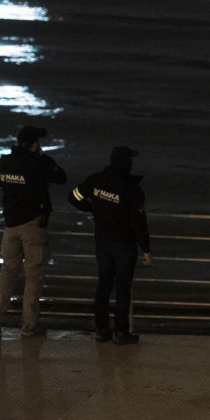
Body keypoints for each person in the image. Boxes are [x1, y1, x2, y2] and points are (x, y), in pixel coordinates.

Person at [68, 146, 152, 345]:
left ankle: (101, 329)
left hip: (102, 242)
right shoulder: (132, 190)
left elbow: (73, 197)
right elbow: (138, 222)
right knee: (122, 289)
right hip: (124, 245)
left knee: (104, 285)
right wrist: (146, 248)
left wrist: (92, 208)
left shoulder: (96, 179)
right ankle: (121, 332)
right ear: (127, 163)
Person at [0, 125, 66, 336]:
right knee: (33, 276)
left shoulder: (4, 162)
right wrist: (44, 158)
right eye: (37, 142)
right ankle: (29, 325)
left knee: (7, 271)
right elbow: (61, 177)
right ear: (33, 144)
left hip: (10, 225)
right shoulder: (38, 163)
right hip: (32, 225)